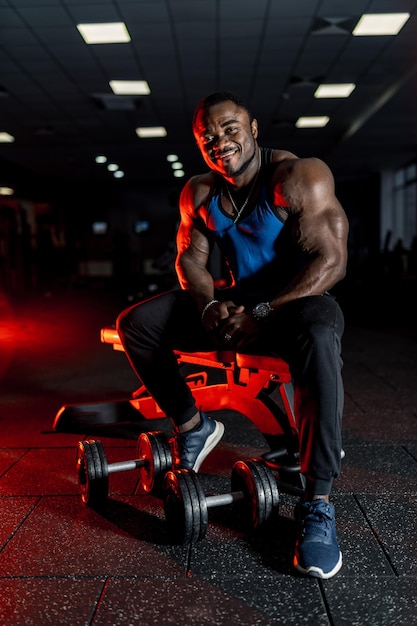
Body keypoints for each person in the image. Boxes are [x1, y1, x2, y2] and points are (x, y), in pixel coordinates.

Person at [117, 91, 349, 579]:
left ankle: (318, 502)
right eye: (208, 137)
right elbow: (190, 261)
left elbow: (331, 260)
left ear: (254, 128)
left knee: (322, 334)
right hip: (237, 303)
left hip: (294, 304)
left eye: (229, 129)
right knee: (137, 325)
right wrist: (207, 306)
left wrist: (262, 313)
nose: (219, 141)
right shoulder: (200, 192)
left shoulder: (298, 177)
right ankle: (193, 426)